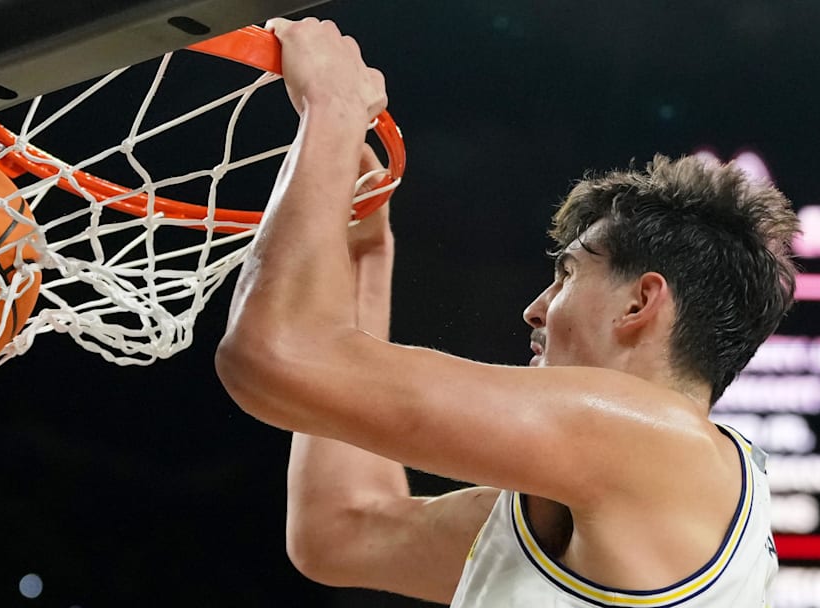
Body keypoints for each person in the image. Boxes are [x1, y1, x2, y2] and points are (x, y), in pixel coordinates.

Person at [214, 17, 798, 607]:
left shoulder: (656, 442)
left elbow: (276, 356)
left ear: (640, 302)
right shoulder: (636, 494)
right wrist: (365, 254)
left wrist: (334, 108)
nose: (533, 310)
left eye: (566, 276)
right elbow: (342, 531)